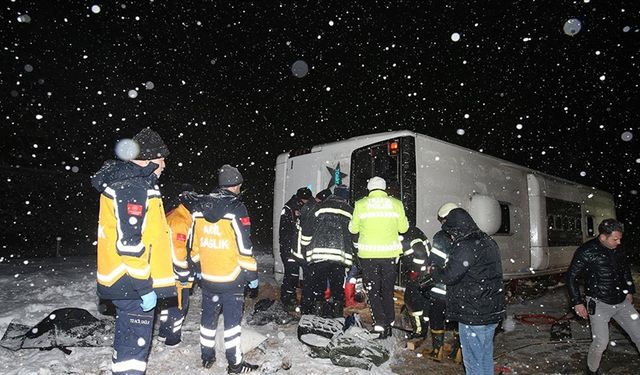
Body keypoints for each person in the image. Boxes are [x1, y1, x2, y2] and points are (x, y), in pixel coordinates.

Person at [91, 127, 176, 375]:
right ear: (148, 158)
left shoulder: (132, 182)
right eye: (161, 159)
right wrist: (144, 287)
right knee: (133, 352)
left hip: (126, 281)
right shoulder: (132, 186)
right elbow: (129, 244)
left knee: (128, 342)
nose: (164, 165)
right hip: (131, 282)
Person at [181, 165, 259, 373]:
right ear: (235, 186)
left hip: (208, 277)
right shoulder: (237, 209)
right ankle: (235, 364)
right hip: (232, 277)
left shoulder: (199, 208)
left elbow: (193, 244)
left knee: (208, 319)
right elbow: (244, 246)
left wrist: (198, 266)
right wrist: (251, 274)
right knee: (232, 324)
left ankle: (207, 357)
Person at [430, 207, 505, 375]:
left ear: (456, 228)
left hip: (473, 312)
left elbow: (450, 276)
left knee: (472, 361)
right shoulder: (487, 240)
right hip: (492, 310)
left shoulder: (466, 245)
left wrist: (434, 270)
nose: (451, 236)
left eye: (451, 232)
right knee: (485, 356)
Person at [566, 218, 640, 375]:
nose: (618, 242)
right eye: (615, 239)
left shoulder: (618, 249)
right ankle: (592, 371)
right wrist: (577, 302)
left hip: (621, 301)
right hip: (599, 303)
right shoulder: (586, 251)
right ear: (603, 237)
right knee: (601, 343)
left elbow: (625, 270)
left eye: (620, 238)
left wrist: (629, 291)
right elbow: (571, 277)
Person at [348, 176, 409, 339]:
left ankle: (380, 325)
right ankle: (389, 323)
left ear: (369, 188)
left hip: (368, 257)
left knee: (373, 291)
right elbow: (404, 228)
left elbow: (353, 229)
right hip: (389, 256)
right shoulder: (396, 204)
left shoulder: (361, 204)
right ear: (384, 188)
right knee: (387, 291)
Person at [299, 186, 355, 318]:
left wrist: (305, 245)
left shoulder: (319, 207)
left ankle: (318, 313)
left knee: (319, 286)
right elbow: (354, 233)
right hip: (338, 257)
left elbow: (307, 229)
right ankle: (337, 315)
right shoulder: (350, 211)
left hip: (319, 256)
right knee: (337, 287)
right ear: (346, 198)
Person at [157, 184, 196, 347]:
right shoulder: (181, 220)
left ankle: (163, 333)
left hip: (164, 268)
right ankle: (173, 339)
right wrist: (184, 272)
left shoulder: (173, 213)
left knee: (169, 303)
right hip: (175, 271)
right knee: (180, 305)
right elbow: (178, 250)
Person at [279, 186, 312, 311]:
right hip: (290, 248)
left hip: (300, 248)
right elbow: (286, 232)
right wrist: (287, 251)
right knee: (291, 275)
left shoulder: (305, 208)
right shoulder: (288, 209)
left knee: (303, 275)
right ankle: (288, 300)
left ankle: (302, 300)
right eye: (305, 199)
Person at [400, 226, 431, 340]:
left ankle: (419, 331)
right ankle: (425, 326)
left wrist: (416, 271)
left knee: (411, 301)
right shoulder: (414, 231)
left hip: (418, 274)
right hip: (425, 273)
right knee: (423, 301)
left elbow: (420, 253)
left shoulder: (405, 236)